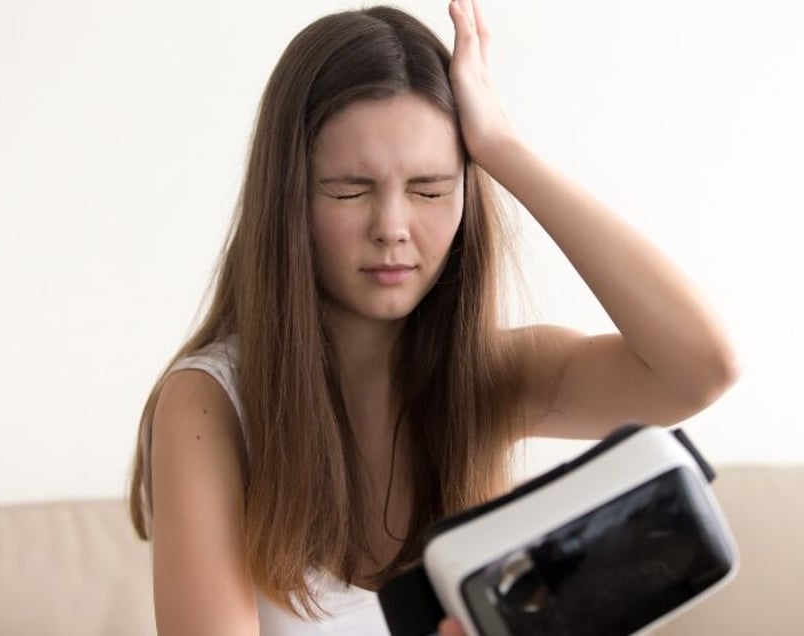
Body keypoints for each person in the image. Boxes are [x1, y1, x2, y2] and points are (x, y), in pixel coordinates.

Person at [128, 0, 739, 634]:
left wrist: (501, 148)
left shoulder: (491, 377)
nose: (392, 228)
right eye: (349, 189)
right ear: (289, 199)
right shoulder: (207, 407)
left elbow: (700, 369)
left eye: (429, 189)